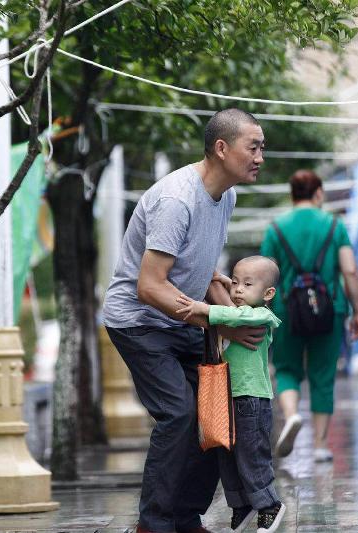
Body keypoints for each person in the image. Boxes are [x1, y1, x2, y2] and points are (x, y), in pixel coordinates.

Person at [103, 108, 266, 533]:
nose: (260, 157)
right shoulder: (178, 200)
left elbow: (206, 271)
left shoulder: (226, 196)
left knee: (216, 412)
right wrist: (216, 323)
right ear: (221, 148)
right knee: (178, 414)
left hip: (184, 321)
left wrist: (234, 313)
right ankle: (152, 524)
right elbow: (149, 286)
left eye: (261, 148)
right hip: (138, 322)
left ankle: (185, 517)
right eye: (254, 147)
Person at [176, 256, 285, 533]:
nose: (237, 289)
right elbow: (231, 315)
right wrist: (218, 291)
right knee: (227, 454)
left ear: (268, 293)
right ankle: (241, 504)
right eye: (235, 282)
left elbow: (238, 316)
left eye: (248, 284)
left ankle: (269, 503)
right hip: (226, 397)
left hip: (252, 399)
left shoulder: (262, 316)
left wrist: (205, 309)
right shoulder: (236, 313)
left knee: (251, 454)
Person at [260, 170, 358, 462]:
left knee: (286, 368)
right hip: (329, 310)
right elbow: (350, 270)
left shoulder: (276, 228)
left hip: (286, 311)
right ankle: (320, 444)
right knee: (323, 373)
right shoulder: (334, 225)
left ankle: (292, 415)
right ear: (318, 193)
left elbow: (263, 273)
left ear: (293, 194)